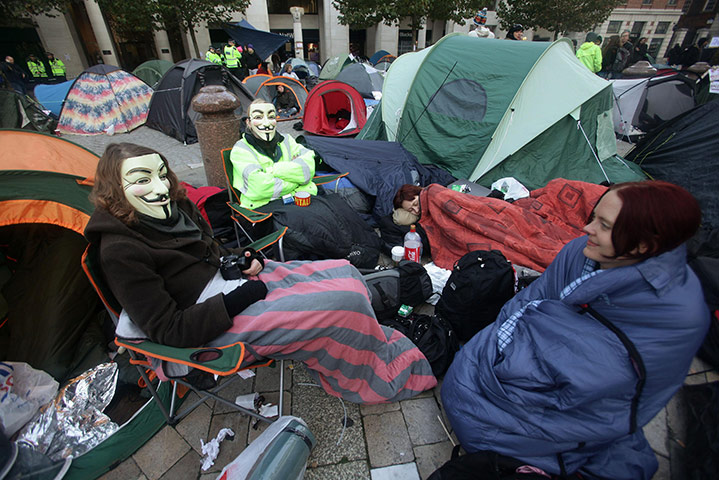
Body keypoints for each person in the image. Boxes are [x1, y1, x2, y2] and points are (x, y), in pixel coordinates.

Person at [84, 142, 437, 403]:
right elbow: (171, 330)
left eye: (162, 174)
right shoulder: (120, 251)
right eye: (141, 180)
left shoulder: (175, 209)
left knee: (344, 270)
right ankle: (370, 373)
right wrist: (240, 295)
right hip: (208, 323)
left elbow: (210, 254)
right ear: (115, 188)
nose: (160, 188)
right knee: (343, 302)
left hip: (227, 283)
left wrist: (241, 257)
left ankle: (368, 342)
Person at [441, 180, 709, 479]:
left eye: (604, 226)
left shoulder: (679, 316)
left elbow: (626, 393)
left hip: (569, 404)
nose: (587, 229)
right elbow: (528, 302)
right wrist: (507, 352)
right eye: (594, 217)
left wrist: (527, 368)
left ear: (643, 245)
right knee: (467, 379)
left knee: (483, 413)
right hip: (517, 364)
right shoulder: (581, 252)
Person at [229, 99, 313, 208]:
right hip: (264, 206)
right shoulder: (241, 149)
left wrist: (271, 170)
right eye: (258, 117)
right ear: (248, 122)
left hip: (298, 199)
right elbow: (259, 187)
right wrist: (295, 181)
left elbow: (307, 169)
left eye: (271, 117)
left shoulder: (287, 139)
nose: (266, 123)